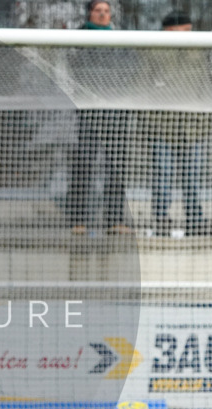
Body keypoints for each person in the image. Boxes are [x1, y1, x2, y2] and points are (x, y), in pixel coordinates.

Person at [66, 0, 134, 236]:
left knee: (115, 164)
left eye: (106, 11)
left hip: (115, 111)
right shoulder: (78, 39)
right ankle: (78, 219)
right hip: (88, 110)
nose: (103, 14)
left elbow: (128, 70)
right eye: (98, 10)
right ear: (89, 14)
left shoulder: (120, 38)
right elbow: (73, 69)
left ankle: (115, 219)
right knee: (84, 162)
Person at [149, 10, 212, 238]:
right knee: (162, 175)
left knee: (193, 177)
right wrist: (150, 122)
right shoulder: (154, 51)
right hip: (162, 126)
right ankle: (161, 218)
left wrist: (206, 118)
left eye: (187, 30)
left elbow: (207, 84)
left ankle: (195, 219)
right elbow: (143, 85)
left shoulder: (199, 51)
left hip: (195, 126)